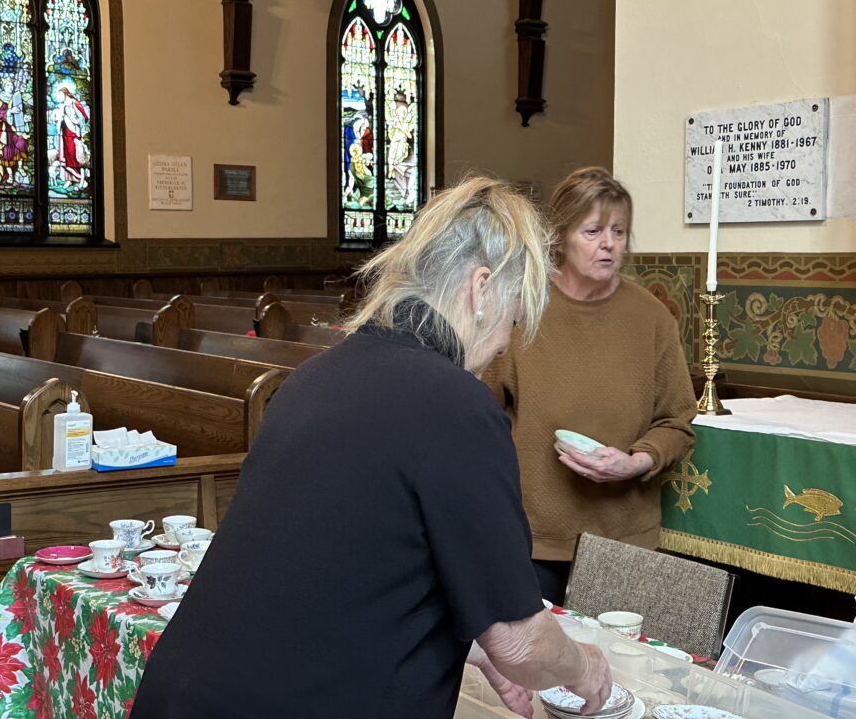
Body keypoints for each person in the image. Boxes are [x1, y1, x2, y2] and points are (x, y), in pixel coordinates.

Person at [131, 177, 612, 719]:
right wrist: (584, 667)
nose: (504, 345)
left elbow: (345, 572)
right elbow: (522, 642)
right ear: (481, 291)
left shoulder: (316, 376)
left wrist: (472, 642)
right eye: (514, 318)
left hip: (188, 693)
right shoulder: (457, 405)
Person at [483, 167, 696, 605]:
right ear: (560, 237)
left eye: (619, 231)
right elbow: (480, 416)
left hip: (623, 536)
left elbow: (677, 422)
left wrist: (637, 461)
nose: (609, 244)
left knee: (617, 667)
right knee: (534, 669)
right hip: (532, 535)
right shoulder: (522, 307)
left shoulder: (651, 317)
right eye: (594, 230)